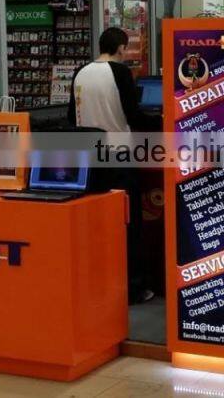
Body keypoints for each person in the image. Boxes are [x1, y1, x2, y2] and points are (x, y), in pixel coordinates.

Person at [68, 27, 161, 304]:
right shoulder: (120, 73)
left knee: (96, 226)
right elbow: (133, 115)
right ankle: (131, 289)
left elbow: (72, 117)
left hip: (89, 160)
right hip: (119, 156)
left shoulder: (80, 73)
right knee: (127, 225)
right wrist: (164, 120)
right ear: (121, 47)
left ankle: (96, 286)